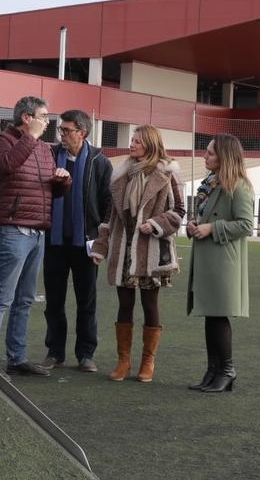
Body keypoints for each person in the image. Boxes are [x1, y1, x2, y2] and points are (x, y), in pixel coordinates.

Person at [0, 96, 71, 378]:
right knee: (3, 297)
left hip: (37, 231)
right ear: (27, 118)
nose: (48, 121)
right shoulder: (1, 140)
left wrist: (62, 181)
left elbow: (47, 191)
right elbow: (6, 166)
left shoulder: (44, 148)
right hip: (12, 229)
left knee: (25, 299)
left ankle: (16, 358)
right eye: (43, 116)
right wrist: (29, 138)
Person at [89, 125, 185, 383]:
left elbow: (179, 211)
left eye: (138, 141)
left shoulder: (167, 172)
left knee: (150, 304)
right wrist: (100, 247)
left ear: (151, 145)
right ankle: (124, 361)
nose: (132, 145)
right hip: (123, 249)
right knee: (124, 304)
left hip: (151, 250)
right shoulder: (122, 174)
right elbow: (110, 217)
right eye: (132, 140)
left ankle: (147, 362)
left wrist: (155, 224)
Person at [41, 110, 112, 373]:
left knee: (87, 301)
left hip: (86, 244)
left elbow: (108, 207)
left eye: (67, 130)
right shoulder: (49, 156)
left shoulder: (100, 163)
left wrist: (101, 243)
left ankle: (85, 354)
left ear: (82, 132)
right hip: (55, 242)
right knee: (54, 301)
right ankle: (54, 352)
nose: (62, 135)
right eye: (61, 130)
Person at [186, 133, 254, 393]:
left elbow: (246, 224)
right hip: (209, 257)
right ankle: (213, 370)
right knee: (210, 316)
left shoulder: (238, 186)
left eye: (211, 153)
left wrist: (212, 228)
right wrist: (196, 225)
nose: (205, 156)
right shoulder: (211, 183)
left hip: (223, 261)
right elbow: (205, 216)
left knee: (218, 316)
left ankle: (226, 369)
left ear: (224, 157)